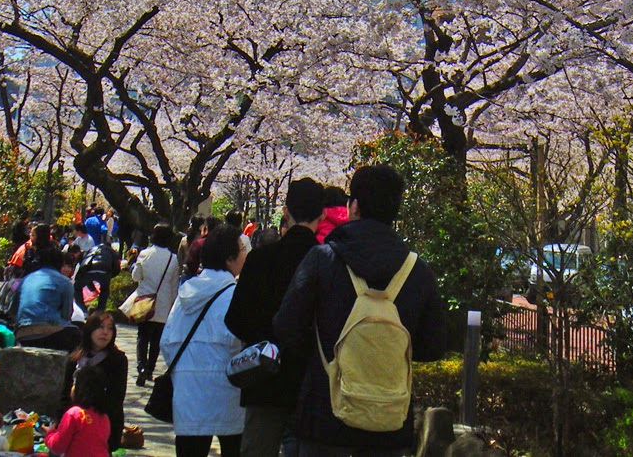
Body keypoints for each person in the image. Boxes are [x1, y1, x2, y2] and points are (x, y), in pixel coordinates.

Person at [273, 165, 446, 457]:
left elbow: (286, 327)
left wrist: (324, 355)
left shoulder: (322, 259)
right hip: (388, 423)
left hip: (325, 417)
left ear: (354, 206)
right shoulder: (417, 271)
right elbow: (434, 345)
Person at [225, 177, 325, 457]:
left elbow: (234, 319)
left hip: (263, 378)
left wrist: (262, 339)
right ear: (322, 214)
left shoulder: (260, 259)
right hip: (312, 381)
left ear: (285, 211)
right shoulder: (328, 262)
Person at [159, 223, 247, 457]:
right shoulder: (235, 296)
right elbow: (242, 345)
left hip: (188, 397)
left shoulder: (185, 294)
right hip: (228, 396)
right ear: (230, 258)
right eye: (241, 248)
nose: (245, 253)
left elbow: (167, 342)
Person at [62, 310, 128, 456]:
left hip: (104, 425)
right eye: (100, 327)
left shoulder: (118, 360)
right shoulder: (75, 358)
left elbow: (116, 398)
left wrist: (92, 422)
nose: (105, 332)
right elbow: (64, 394)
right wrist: (61, 422)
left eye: (110, 328)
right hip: (74, 422)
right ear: (90, 330)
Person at [131, 222, 180, 385]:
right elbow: (174, 285)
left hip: (145, 300)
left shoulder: (144, 254)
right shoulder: (173, 259)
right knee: (156, 338)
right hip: (163, 303)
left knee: (142, 336)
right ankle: (150, 369)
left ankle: (141, 367)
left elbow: (136, 276)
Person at [15, 243, 81, 351]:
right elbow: (66, 315)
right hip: (49, 332)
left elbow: (14, 310)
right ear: (60, 264)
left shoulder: (25, 279)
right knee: (77, 334)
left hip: (21, 333)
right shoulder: (64, 282)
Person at [46, 364, 111, 457]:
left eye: (74, 384)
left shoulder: (74, 414)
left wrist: (50, 434)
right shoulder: (104, 417)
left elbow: (58, 446)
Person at [75, 234, 121, 313]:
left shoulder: (92, 249)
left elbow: (83, 263)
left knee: (77, 287)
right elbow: (117, 268)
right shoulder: (112, 252)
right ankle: (100, 310)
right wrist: (110, 276)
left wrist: (92, 289)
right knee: (104, 290)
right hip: (104, 272)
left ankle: (82, 309)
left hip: (89, 270)